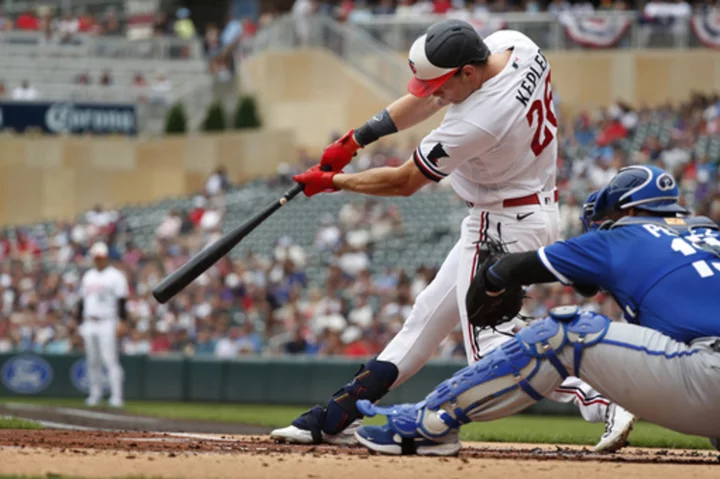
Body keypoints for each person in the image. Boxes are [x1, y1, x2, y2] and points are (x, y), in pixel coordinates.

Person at [270, 19, 634, 452]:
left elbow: (404, 182)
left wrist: (336, 182)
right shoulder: (514, 45)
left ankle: (602, 395)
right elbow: (423, 101)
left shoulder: (479, 119)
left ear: (467, 72)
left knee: (492, 354)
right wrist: (357, 139)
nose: (436, 94)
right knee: (424, 320)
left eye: (443, 85)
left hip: (499, 223)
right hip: (523, 210)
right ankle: (337, 416)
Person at [353, 165, 720, 455]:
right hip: (705, 377)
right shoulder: (709, 233)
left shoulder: (622, 235)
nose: (603, 222)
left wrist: (491, 282)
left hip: (709, 376)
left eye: (609, 213)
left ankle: (428, 423)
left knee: (564, 332)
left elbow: (510, 268)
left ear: (633, 209)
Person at [76, 241, 129, 408]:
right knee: (92, 361)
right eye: (96, 257)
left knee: (110, 360)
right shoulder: (88, 276)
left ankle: (117, 396)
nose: (99, 260)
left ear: (106, 257)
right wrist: (79, 323)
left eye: (101, 257)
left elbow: (122, 301)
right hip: (89, 321)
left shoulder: (116, 276)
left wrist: (122, 321)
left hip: (108, 321)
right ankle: (95, 394)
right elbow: (82, 301)